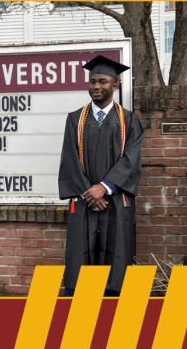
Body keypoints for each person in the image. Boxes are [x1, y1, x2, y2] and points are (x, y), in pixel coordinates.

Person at [58, 55, 144, 298]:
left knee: (116, 252)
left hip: (115, 199)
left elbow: (131, 159)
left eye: (103, 82)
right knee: (80, 255)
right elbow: (69, 159)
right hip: (85, 199)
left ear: (115, 85)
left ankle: (114, 307)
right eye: (92, 81)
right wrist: (90, 193)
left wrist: (105, 187)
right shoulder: (75, 119)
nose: (96, 86)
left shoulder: (129, 120)